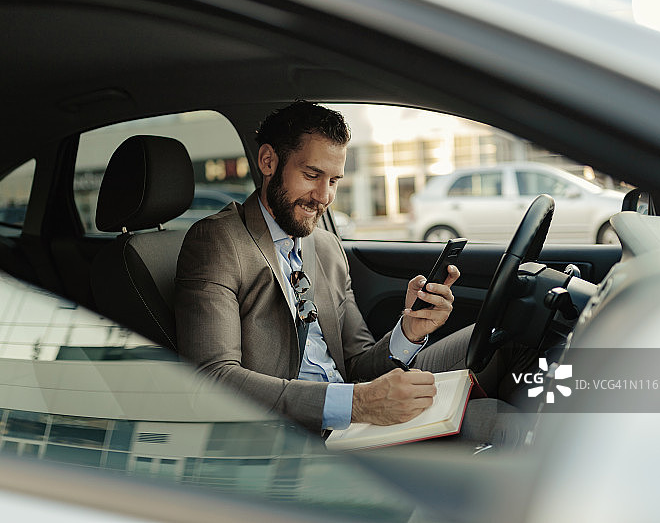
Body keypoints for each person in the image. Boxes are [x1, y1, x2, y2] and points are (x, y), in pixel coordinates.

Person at [175, 101, 535, 445]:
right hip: (298, 435)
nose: (324, 196)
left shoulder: (327, 248)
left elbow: (358, 363)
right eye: (312, 175)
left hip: (355, 414)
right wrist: (358, 403)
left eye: (334, 180)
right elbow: (211, 381)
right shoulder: (218, 240)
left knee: (516, 332)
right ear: (268, 161)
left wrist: (408, 332)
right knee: (504, 426)